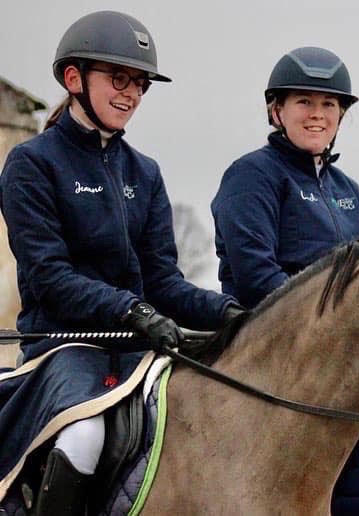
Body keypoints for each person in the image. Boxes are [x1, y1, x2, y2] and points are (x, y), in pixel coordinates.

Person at [0, 11, 241, 515]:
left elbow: (164, 282)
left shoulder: (145, 173)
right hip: (63, 349)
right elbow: (49, 276)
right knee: (84, 434)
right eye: (118, 79)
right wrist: (132, 310)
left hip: (140, 352)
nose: (131, 93)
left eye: (139, 83)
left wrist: (229, 313)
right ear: (74, 79)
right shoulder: (32, 163)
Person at [210, 47, 359, 515]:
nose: (317, 114)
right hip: (273, 358)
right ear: (277, 110)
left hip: (341, 362)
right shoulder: (250, 176)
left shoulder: (347, 190)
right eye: (305, 102)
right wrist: (332, 334)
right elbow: (255, 278)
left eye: (329, 105)